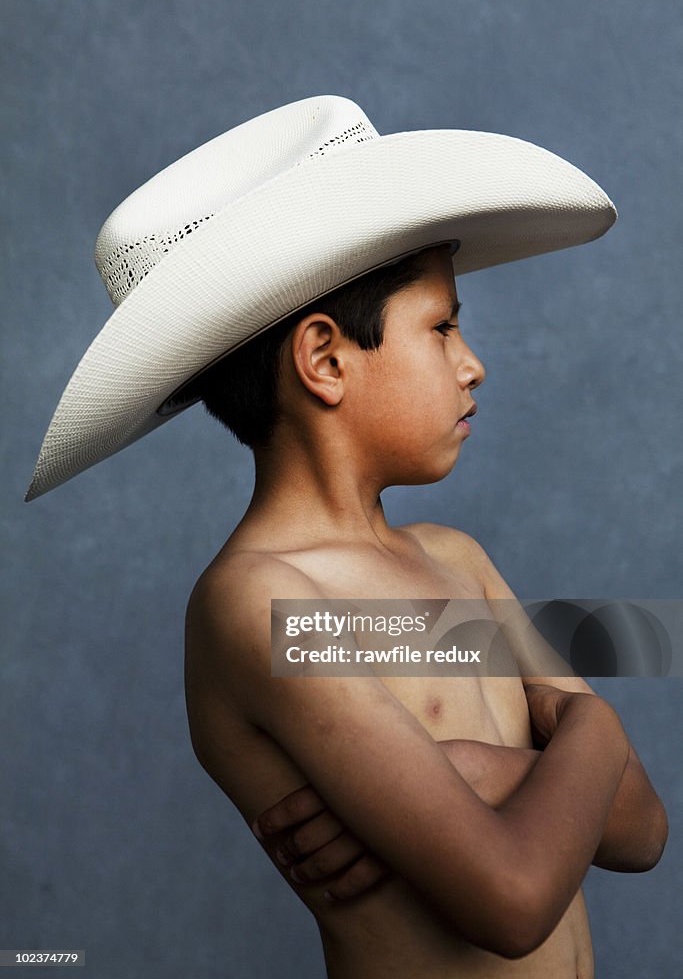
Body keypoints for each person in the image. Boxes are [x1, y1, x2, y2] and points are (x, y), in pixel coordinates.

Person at [27, 96, 668, 977]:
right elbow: (511, 899)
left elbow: (640, 831)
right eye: (441, 327)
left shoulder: (454, 561)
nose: (471, 361)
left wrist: (480, 771)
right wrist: (589, 723)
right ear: (324, 361)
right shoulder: (268, 603)